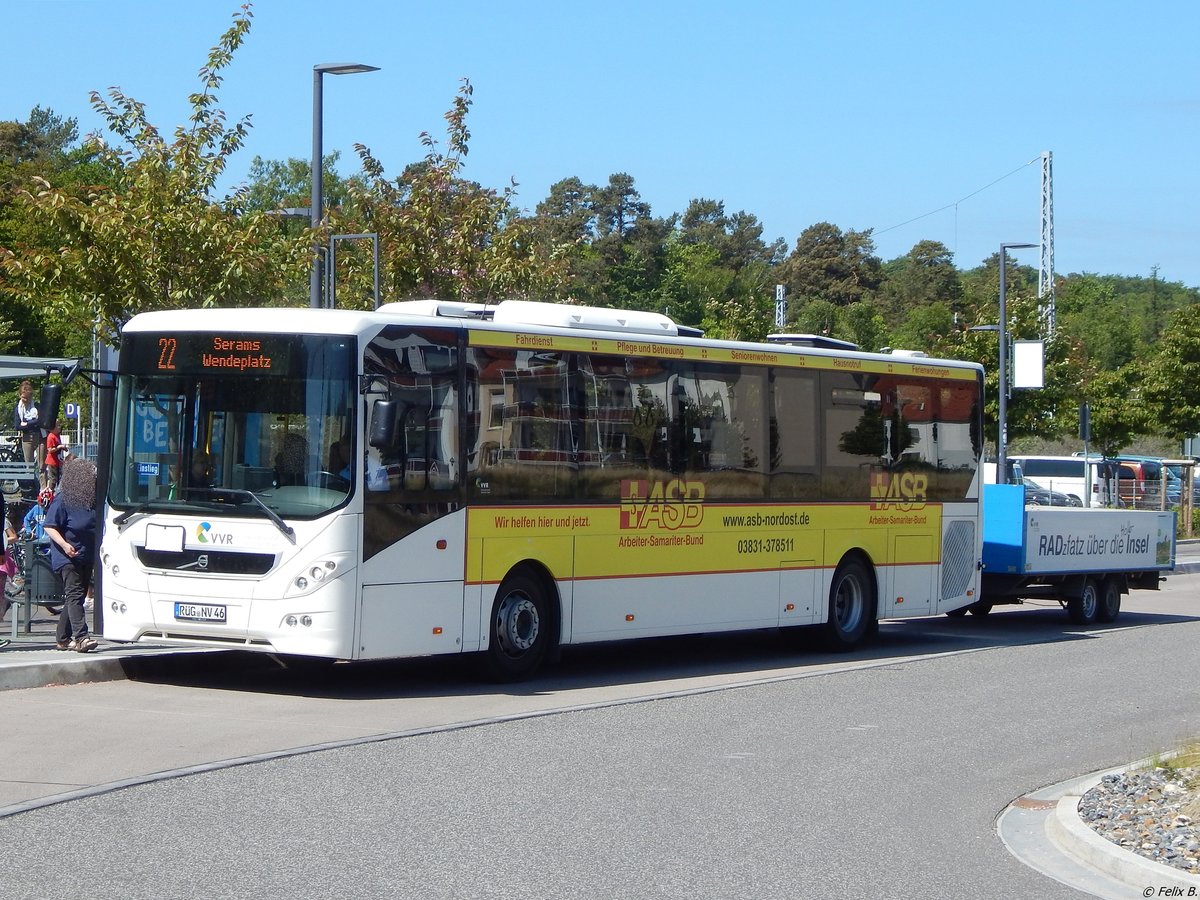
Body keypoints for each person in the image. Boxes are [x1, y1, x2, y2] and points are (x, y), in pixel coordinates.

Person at [43, 457, 98, 653]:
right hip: (67, 556)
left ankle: (62, 639)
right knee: (74, 594)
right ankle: (82, 637)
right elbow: (49, 526)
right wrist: (65, 545)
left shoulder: (91, 501)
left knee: (77, 596)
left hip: (86, 554)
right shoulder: (63, 500)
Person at [12, 380, 41, 467]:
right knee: (29, 464)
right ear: (20, 395)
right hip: (26, 438)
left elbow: (40, 421)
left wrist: (27, 424)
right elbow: (17, 426)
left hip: (39, 436)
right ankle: (31, 476)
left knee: (41, 464)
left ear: (31, 396)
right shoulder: (18, 408)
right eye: (23, 397)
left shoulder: (36, 406)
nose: (25, 400)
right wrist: (33, 423)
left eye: (27, 398)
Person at [43, 422, 63, 491]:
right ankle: (50, 493)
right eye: (58, 426)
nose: (59, 427)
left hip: (58, 461)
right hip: (52, 461)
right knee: (53, 479)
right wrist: (59, 447)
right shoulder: (51, 436)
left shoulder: (57, 436)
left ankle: (57, 492)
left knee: (58, 478)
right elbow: (50, 449)